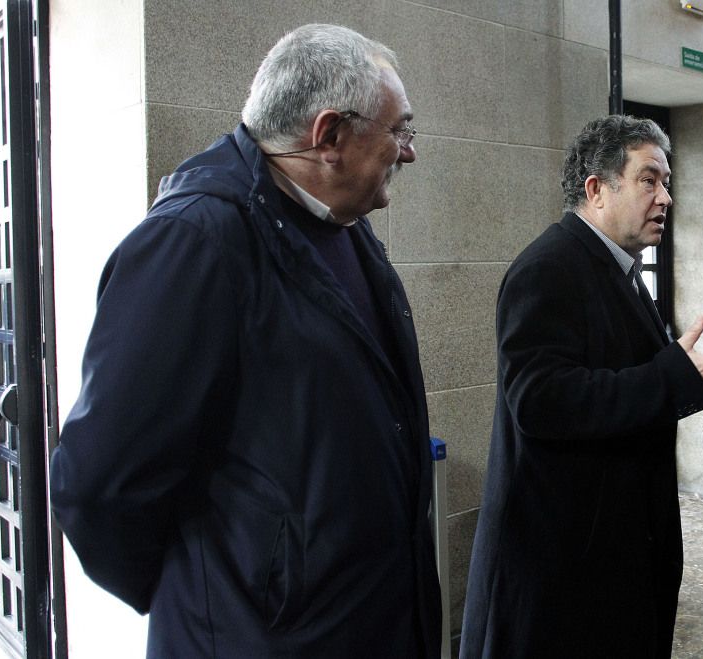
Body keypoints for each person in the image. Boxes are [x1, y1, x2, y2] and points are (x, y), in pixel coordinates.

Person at [49, 24, 441, 657]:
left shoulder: (345, 229)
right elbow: (99, 487)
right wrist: (217, 601)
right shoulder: (194, 244)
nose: (409, 151)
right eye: (399, 130)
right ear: (330, 136)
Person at [460, 115, 703, 658]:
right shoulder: (548, 268)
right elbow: (542, 401)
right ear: (596, 189)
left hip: (611, 558)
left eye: (666, 183)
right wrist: (678, 377)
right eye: (649, 180)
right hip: (566, 573)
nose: (665, 197)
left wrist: (683, 378)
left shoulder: (616, 269)